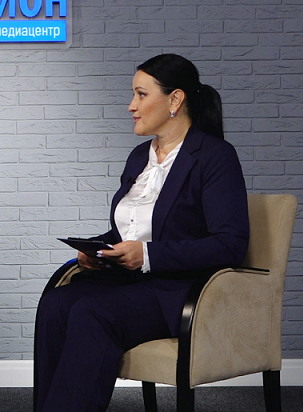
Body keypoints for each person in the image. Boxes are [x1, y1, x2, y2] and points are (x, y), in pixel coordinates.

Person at [34, 54, 250, 411]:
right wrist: (100, 251)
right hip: (128, 282)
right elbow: (133, 228)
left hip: (178, 290)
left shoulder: (215, 157)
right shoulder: (139, 157)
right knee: (56, 304)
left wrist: (147, 255)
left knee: (92, 311)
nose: (131, 106)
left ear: (175, 99)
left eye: (141, 94)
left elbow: (230, 245)